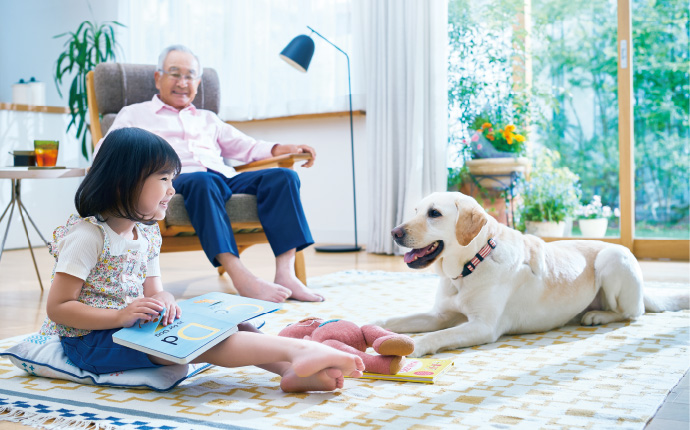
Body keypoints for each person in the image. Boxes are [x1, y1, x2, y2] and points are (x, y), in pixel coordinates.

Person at [42, 127, 364, 393]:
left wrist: (164, 301)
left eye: (172, 179)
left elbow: (156, 291)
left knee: (232, 323)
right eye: (163, 179)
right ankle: (301, 351)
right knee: (196, 342)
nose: (172, 189)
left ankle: (290, 371)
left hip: (131, 324)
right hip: (91, 341)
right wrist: (120, 317)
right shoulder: (87, 236)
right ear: (122, 183)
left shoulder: (148, 234)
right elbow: (59, 308)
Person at [96, 44, 321, 303]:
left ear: (198, 82)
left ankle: (285, 272)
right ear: (158, 78)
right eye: (174, 73)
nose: (183, 82)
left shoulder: (208, 118)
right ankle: (240, 275)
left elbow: (247, 147)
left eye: (190, 75)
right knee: (203, 181)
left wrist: (284, 148)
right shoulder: (136, 113)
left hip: (222, 177)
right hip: (179, 180)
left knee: (284, 177)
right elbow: (107, 149)